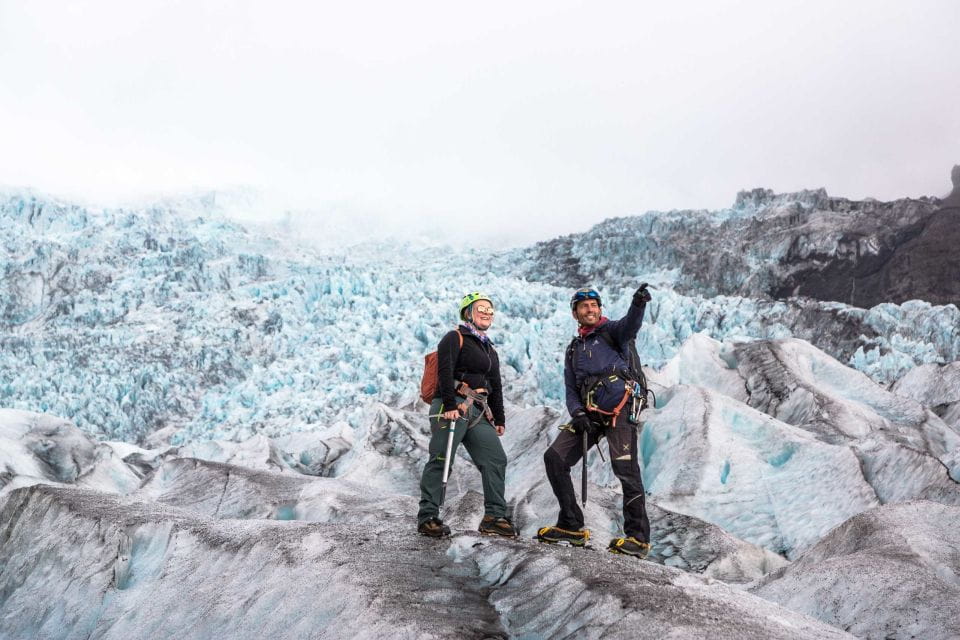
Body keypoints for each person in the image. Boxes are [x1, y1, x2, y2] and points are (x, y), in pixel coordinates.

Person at [537, 284, 653, 558]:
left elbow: (631, 326)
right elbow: (570, 388)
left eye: (594, 305)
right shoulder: (574, 349)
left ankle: (637, 538)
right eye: (583, 306)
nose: (590, 309)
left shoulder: (613, 333)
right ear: (575, 313)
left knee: (626, 470)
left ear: (600, 309)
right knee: (555, 458)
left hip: (620, 409)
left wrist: (638, 304)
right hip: (589, 414)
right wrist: (577, 413)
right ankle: (571, 525)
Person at [417, 292, 518, 538]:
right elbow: (445, 369)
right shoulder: (455, 337)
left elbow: (495, 384)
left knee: (495, 459)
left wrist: (500, 418)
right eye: (481, 308)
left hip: (478, 410)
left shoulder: (488, 348)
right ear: (468, 312)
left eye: (490, 310)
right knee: (441, 460)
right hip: (452, 405)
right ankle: (428, 516)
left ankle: (494, 516)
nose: (487, 313)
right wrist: (450, 404)